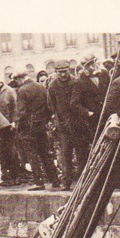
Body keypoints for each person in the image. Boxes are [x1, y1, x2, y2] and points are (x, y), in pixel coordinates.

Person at [16, 71, 60, 189]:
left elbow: (21, 113)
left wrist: (19, 127)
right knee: (45, 153)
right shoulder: (41, 87)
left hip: (28, 127)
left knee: (32, 154)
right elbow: (49, 106)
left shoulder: (22, 91)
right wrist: (44, 120)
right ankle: (55, 180)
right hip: (41, 125)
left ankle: (39, 182)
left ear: (20, 79)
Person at [47, 60, 81, 190]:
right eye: (60, 72)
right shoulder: (52, 85)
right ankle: (67, 182)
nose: (62, 75)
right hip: (62, 125)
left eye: (65, 72)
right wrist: (57, 119)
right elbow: (51, 105)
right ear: (56, 72)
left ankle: (81, 181)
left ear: (69, 70)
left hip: (77, 123)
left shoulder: (75, 82)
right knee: (66, 154)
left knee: (81, 153)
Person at [70, 53, 104, 159]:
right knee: (97, 148)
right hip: (93, 121)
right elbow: (74, 104)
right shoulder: (80, 82)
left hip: (105, 116)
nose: (94, 66)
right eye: (90, 65)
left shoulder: (103, 75)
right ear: (85, 67)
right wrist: (88, 113)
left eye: (94, 63)